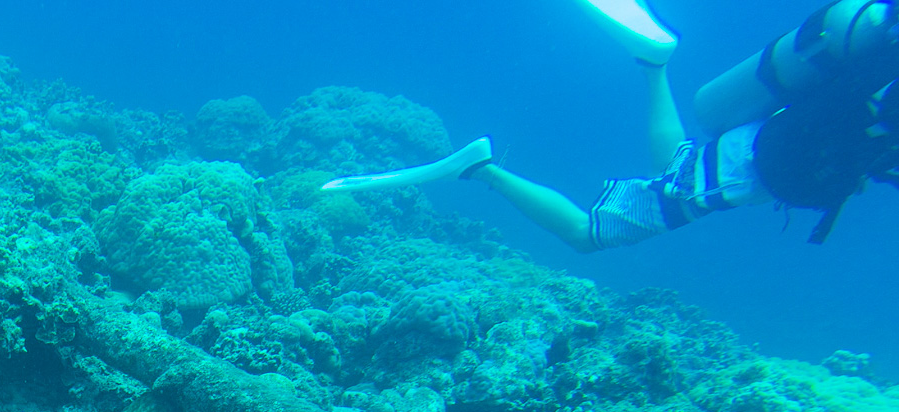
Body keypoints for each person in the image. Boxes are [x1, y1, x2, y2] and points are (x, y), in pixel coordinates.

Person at [323, 0, 899, 249]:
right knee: (587, 236)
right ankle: (480, 169)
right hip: (763, 162)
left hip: (777, 146)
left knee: (674, 167)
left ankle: (653, 64)